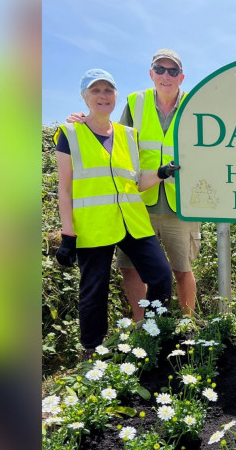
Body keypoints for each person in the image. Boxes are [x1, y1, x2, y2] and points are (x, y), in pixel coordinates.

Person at [55, 69, 177, 356]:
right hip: (94, 225)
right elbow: (65, 189)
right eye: (95, 91)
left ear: (115, 96)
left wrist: (160, 173)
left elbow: (134, 181)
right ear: (85, 97)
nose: (102, 96)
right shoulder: (70, 134)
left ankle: (154, 334)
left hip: (132, 221)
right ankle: (92, 350)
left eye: (108, 91)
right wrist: (67, 234)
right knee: (94, 290)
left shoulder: (128, 134)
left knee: (161, 276)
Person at [70, 49, 199, 318]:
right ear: (151, 74)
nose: (166, 76)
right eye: (160, 70)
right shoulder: (134, 102)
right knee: (130, 269)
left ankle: (188, 327)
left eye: (173, 71)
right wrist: (85, 121)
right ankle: (143, 327)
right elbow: (113, 135)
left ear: (181, 77)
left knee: (182, 270)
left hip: (183, 204)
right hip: (138, 204)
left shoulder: (195, 104)